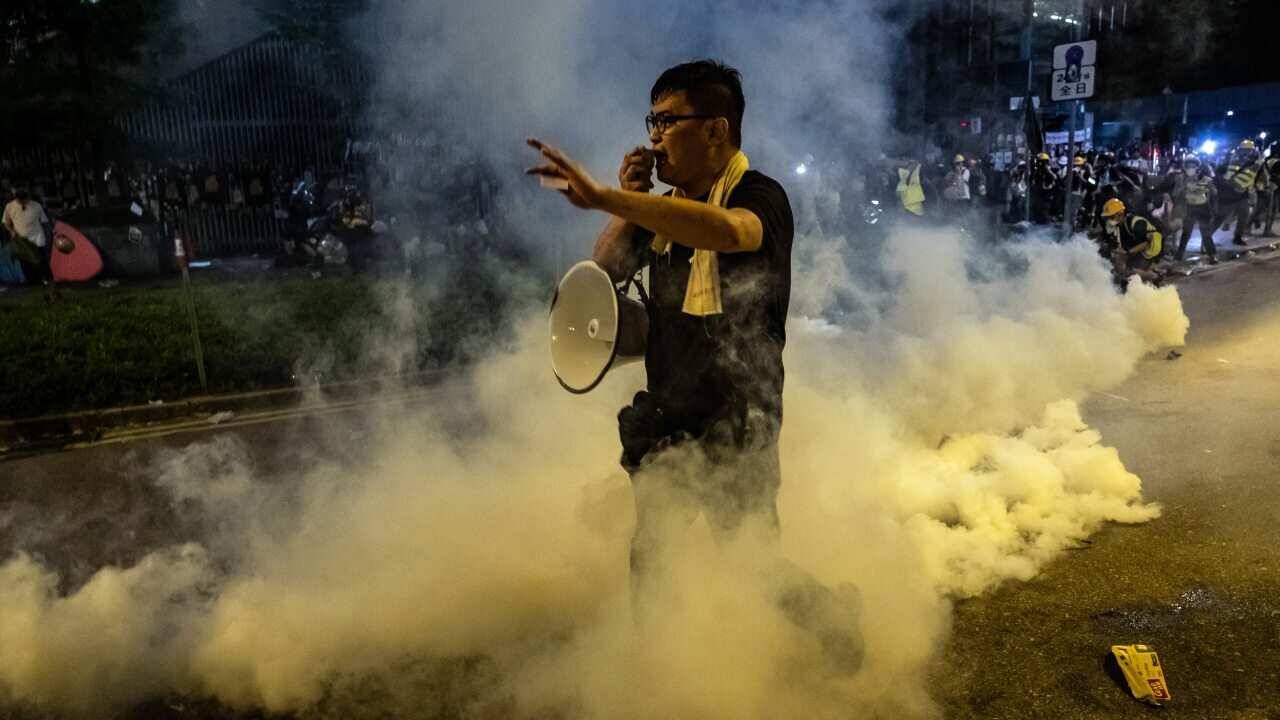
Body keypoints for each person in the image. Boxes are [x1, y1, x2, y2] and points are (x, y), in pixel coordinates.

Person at [2, 185, 57, 300]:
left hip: (37, 239)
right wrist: (11, 231)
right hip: (22, 242)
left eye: (24, 199)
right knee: (26, 264)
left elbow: (44, 221)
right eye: (19, 199)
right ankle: (35, 287)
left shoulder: (36, 206)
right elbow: (6, 222)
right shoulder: (10, 207)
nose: (21, 201)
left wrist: (51, 234)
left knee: (42, 263)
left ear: (28, 197)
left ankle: (49, 286)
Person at [1100, 198, 1163, 285]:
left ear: (1120, 215)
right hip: (1139, 246)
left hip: (1152, 247)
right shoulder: (1120, 226)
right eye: (1107, 218)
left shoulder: (1136, 223)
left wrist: (1127, 253)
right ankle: (1148, 271)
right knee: (1120, 265)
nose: (1108, 220)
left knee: (1131, 273)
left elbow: (1146, 243)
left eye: (1110, 217)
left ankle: (1154, 276)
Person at [1216, 139, 1267, 246]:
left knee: (1244, 215)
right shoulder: (1234, 160)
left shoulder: (1253, 161)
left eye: (1249, 150)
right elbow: (1219, 172)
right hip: (1231, 191)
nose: (1247, 153)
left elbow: (1256, 175)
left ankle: (1237, 237)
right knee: (1221, 216)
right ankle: (1207, 237)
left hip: (1243, 192)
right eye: (1245, 150)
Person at [1174, 156, 1218, 264]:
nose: (1190, 169)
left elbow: (1214, 193)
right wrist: (1182, 186)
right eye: (1188, 166)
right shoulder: (1181, 179)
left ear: (1198, 167)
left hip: (1203, 208)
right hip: (1189, 208)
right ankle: (1179, 255)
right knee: (1186, 233)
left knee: (1206, 234)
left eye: (1193, 166)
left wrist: (1207, 187)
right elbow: (1175, 194)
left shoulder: (1206, 179)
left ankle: (1212, 256)